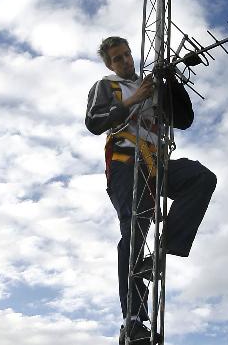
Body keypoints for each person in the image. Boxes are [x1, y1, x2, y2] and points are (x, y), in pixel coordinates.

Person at [85, 36, 216, 344]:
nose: (125, 61)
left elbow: (183, 119)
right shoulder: (107, 85)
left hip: (157, 161)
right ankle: (132, 321)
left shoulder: (152, 86)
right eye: (118, 58)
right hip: (126, 161)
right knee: (134, 227)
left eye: (127, 54)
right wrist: (133, 100)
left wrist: (170, 80)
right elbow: (93, 121)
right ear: (109, 64)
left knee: (200, 178)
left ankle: (163, 249)